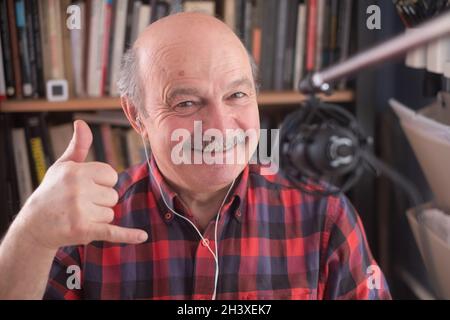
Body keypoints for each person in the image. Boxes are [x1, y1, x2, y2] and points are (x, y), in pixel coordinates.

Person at [0, 12, 390, 300]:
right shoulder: (81, 224)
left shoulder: (325, 215)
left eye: (237, 95)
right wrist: (32, 236)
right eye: (186, 102)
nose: (220, 127)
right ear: (137, 115)